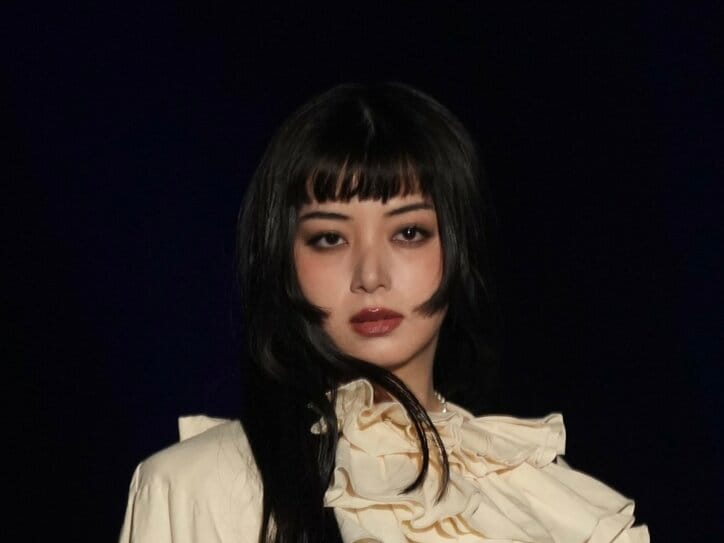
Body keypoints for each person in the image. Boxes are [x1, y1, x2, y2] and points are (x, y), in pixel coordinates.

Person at [119, 83, 649, 542]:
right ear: (283, 258)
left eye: (409, 232)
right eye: (330, 238)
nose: (370, 275)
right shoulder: (196, 486)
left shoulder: (538, 494)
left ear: (459, 246)